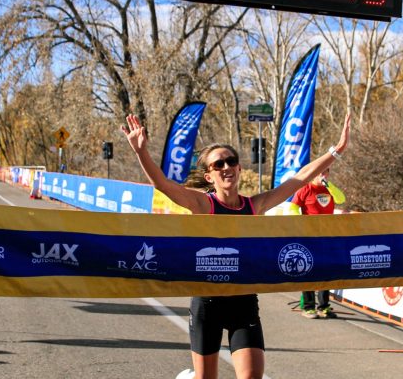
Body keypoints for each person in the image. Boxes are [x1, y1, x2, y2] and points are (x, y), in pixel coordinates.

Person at [122, 113, 351, 379]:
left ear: (240, 168)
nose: (226, 167)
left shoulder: (254, 206)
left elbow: (299, 178)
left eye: (231, 161)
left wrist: (337, 149)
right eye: (218, 164)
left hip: (243, 303)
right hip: (208, 304)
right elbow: (162, 184)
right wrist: (141, 151)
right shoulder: (203, 205)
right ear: (209, 176)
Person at [289, 168, 345, 319]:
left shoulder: (329, 188)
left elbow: (341, 199)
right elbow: (293, 207)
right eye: (319, 173)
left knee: (325, 271)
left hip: (327, 236)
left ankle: (324, 306)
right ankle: (308, 307)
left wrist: (329, 186)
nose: (322, 175)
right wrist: (302, 223)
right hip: (309, 236)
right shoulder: (305, 189)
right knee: (308, 270)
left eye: (325, 172)